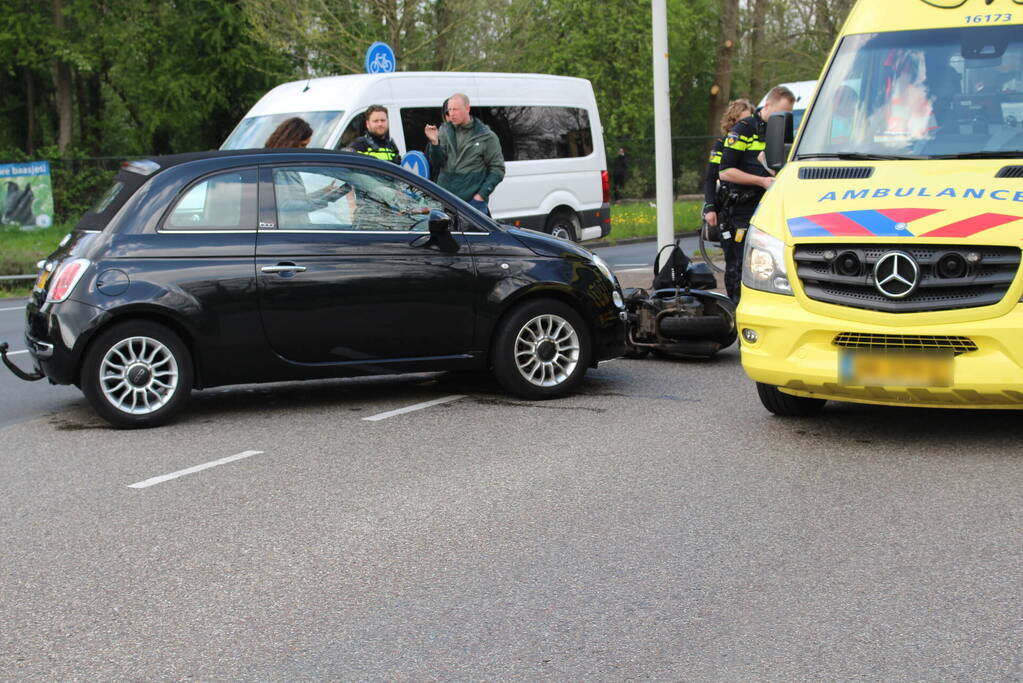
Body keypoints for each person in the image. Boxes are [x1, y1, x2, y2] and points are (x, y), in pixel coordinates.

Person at [718, 86, 795, 303]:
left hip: (769, 209)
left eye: (788, 114)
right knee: (739, 268)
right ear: (768, 105)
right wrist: (761, 181)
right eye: (781, 113)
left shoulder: (780, 131)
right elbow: (725, 172)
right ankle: (736, 316)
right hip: (742, 210)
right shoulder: (743, 129)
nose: (784, 118)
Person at [424, 93, 505, 215]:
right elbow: (437, 163)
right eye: (449, 110)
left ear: (467, 108)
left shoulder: (486, 136)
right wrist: (434, 143)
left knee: (472, 234)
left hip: (472, 205)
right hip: (445, 201)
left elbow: (497, 169)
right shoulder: (444, 130)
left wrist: (481, 196)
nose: (451, 113)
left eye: (455, 109)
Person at [264, 117, 346, 227]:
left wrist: (323, 192)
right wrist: (320, 202)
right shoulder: (278, 169)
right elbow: (284, 205)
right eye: (302, 145)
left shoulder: (286, 166)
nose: (304, 150)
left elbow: (298, 199)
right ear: (290, 141)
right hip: (288, 230)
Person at [702, 99, 754, 237]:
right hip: (730, 207)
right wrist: (710, 207)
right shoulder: (721, 144)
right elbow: (711, 177)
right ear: (733, 122)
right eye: (743, 121)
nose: (747, 125)